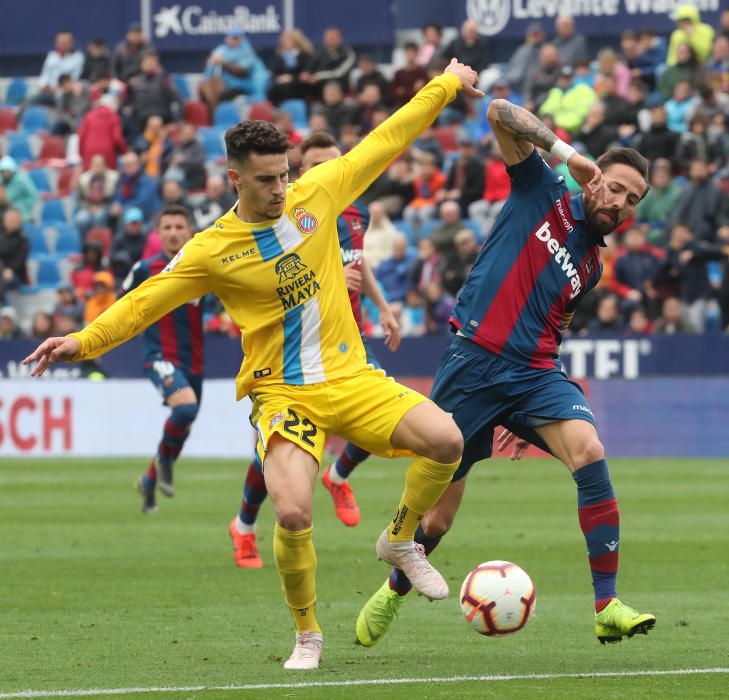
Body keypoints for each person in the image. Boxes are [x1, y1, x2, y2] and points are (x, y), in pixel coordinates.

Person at [23, 61, 484, 671]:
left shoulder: (316, 193)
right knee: (293, 511)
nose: (280, 189)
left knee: (447, 440)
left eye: (285, 175)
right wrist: (81, 341)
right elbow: (142, 303)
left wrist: (446, 83)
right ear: (235, 177)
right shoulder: (212, 250)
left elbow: (389, 137)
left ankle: (399, 539)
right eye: (267, 180)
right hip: (284, 395)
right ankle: (308, 635)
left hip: (351, 377)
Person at [356, 99, 656, 649]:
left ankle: (606, 603)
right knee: (439, 522)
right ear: (595, 178)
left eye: (632, 200)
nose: (620, 203)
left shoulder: (592, 264)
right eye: (615, 188)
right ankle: (393, 590)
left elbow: (552, 328)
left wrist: (526, 420)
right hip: (472, 365)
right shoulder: (541, 190)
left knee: (588, 450)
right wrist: (569, 155)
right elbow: (498, 112)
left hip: (535, 374)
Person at [229, 131, 403, 567]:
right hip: (292, 350)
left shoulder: (355, 211)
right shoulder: (291, 216)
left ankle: (338, 475)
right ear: (301, 173)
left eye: (335, 162)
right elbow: (278, 281)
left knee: (389, 415)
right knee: (275, 451)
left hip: (348, 341)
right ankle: (245, 523)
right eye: (317, 165)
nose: (329, 171)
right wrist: (328, 282)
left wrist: (383, 308)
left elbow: (359, 265)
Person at [117, 205, 204, 513]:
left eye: (179, 226)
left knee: (184, 423)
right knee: (186, 408)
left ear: (190, 231)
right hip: (159, 356)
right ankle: (164, 463)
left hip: (194, 361)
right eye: (166, 227)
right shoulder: (145, 269)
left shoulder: (202, 267)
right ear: (158, 233)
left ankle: (149, 483)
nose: (173, 233)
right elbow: (121, 304)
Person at [200, 29, 260, 110]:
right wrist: (211, 60)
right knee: (206, 92)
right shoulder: (220, 50)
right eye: (231, 38)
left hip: (241, 85)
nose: (233, 40)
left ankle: (218, 116)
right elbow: (209, 66)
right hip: (220, 83)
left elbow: (242, 71)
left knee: (221, 95)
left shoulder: (246, 51)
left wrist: (223, 62)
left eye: (236, 38)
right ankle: (212, 118)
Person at [78, 95, 127, 170]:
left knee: (90, 177)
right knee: (109, 178)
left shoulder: (89, 116)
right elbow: (117, 138)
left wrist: (81, 153)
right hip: (107, 152)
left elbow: (81, 136)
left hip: (89, 150)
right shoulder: (113, 117)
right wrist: (124, 151)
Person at [267, 29, 314, 105]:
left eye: (288, 40)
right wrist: (279, 79)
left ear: (296, 41)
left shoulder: (303, 56)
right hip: (281, 84)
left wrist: (291, 78)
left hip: (298, 84)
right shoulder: (281, 57)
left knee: (287, 88)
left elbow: (305, 74)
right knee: (272, 89)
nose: (285, 43)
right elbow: (274, 72)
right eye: (284, 40)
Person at [0, 208, 29, 303]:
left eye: (16, 220)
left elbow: (20, 260)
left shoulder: (23, 239)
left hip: (14, 273)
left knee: (3, 282)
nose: (14, 222)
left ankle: (6, 313)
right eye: (11, 220)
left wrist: (11, 270)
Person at [0, 157, 39, 223]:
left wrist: (18, 205)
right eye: (3, 171)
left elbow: (33, 196)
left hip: (21, 214)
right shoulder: (1, 180)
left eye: (7, 171)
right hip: (3, 212)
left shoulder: (22, 180)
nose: (5, 173)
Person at [390, 42, 428, 106]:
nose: (410, 55)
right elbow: (393, 93)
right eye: (408, 52)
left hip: (418, 105)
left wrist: (403, 92)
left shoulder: (422, 72)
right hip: (401, 106)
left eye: (412, 52)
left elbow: (423, 92)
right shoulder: (399, 73)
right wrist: (412, 90)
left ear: (417, 54)